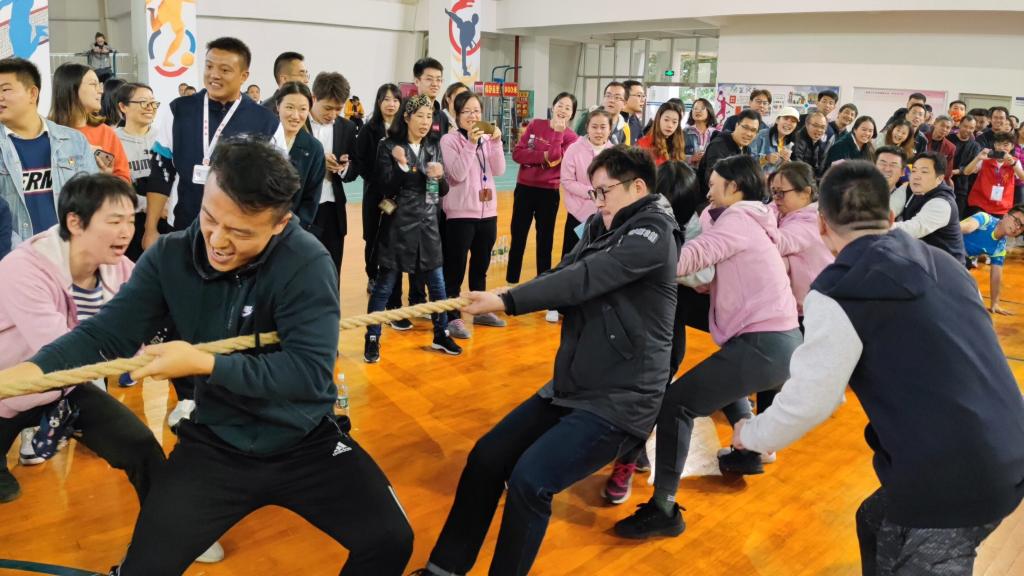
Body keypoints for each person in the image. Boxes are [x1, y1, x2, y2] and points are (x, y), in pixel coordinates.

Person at [0, 138, 414, 575]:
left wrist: (205, 364)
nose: (218, 240)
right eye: (210, 218)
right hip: (216, 442)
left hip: (305, 439)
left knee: (391, 539)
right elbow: (103, 335)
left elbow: (308, 375)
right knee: (144, 568)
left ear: (280, 223)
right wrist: (25, 374)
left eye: (241, 232)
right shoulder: (170, 256)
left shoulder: (306, 261)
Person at [732, 160, 1024, 576]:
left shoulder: (839, 291)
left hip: (957, 477)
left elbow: (812, 400)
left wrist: (751, 435)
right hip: (1007, 443)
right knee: (873, 521)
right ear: (890, 217)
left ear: (821, 224)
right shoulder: (945, 264)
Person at [413, 146, 681, 576]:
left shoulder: (654, 233)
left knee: (530, 480)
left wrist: (507, 301)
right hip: (573, 385)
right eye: (594, 193)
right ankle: (444, 569)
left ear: (638, 188)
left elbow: (586, 278)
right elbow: (562, 274)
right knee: (487, 458)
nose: (597, 202)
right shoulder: (600, 226)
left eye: (604, 192)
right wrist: (504, 294)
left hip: (620, 399)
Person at [614, 154, 801, 539]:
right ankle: (748, 452)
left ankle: (664, 507)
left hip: (764, 343)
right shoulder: (753, 219)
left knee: (676, 405)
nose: (709, 190)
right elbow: (712, 269)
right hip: (777, 341)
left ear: (735, 187)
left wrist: (630, 259)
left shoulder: (738, 219)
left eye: (714, 184)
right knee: (719, 380)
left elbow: (694, 257)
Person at [0, 173, 165, 518]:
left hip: (67, 387)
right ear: (75, 222)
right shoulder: (22, 269)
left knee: (141, 446)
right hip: (9, 384)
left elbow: (141, 326)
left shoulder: (121, 269)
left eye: (131, 220)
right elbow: (60, 352)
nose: (127, 232)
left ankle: (168, 529)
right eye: (114, 221)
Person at [143, 37, 284, 425]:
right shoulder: (180, 111)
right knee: (182, 314)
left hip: (238, 239)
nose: (214, 75)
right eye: (209, 66)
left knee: (232, 314)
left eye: (225, 69)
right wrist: (151, 227)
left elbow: (276, 183)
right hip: (186, 231)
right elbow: (161, 170)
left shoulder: (264, 121)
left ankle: (232, 391)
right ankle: (187, 396)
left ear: (244, 75)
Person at [364, 95, 463, 363]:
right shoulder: (388, 146)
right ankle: (372, 337)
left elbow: (440, 192)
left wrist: (439, 177)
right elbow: (385, 187)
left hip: (428, 224)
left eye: (429, 116)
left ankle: (441, 333)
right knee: (384, 286)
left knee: (438, 286)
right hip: (398, 224)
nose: (425, 121)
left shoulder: (433, 146)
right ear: (406, 117)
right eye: (420, 115)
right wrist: (401, 165)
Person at [0, 58, 99, 246]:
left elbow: (93, 199)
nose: (0, 96)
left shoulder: (73, 141)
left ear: (32, 93)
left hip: (68, 249)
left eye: (5, 90)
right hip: (15, 255)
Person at [440, 91, 507, 339]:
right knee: (454, 269)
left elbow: (499, 169)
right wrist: (470, 143)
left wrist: (496, 142)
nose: (473, 116)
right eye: (466, 111)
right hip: (460, 215)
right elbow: (457, 174)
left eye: (477, 111)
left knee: (480, 266)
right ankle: (452, 316)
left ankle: (480, 311)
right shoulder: (449, 140)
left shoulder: (487, 139)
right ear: (457, 115)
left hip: (488, 213)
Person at [507, 92, 579, 312]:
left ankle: (543, 285)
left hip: (549, 192)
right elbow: (518, 154)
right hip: (524, 188)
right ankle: (511, 281)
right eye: (560, 105)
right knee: (518, 234)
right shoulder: (536, 125)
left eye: (568, 108)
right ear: (553, 106)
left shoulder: (571, 137)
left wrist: (557, 135)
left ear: (572, 114)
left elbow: (555, 159)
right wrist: (542, 157)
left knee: (544, 240)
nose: (562, 110)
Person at [307, 71, 358, 275]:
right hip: (303, 207)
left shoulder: (347, 127)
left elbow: (354, 169)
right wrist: (319, 161)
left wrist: (344, 168)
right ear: (314, 98)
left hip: (332, 209)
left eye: (338, 109)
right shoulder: (297, 124)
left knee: (331, 269)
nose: (333, 114)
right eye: (328, 108)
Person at [355, 83, 402, 299]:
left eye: (395, 100)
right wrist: (379, 181)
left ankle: (390, 277)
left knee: (393, 236)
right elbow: (361, 161)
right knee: (373, 237)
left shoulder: (403, 129)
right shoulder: (369, 129)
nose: (391, 104)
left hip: (397, 195)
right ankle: (372, 275)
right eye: (386, 99)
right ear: (379, 102)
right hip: (375, 193)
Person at [50, 63, 131, 183]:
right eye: (93, 84)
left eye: (100, 85)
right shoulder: (48, 133)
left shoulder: (106, 132)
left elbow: (124, 181)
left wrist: (105, 178)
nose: (101, 91)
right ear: (71, 88)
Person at [113, 82, 163, 261]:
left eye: (153, 103)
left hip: (164, 219)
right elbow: (113, 187)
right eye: (143, 102)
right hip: (129, 221)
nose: (150, 107)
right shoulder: (113, 140)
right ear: (123, 107)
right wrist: (147, 205)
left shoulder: (164, 138)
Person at [892, 152, 965, 263]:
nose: (916, 176)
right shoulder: (908, 188)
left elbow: (914, 228)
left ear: (939, 178)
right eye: (914, 171)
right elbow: (887, 209)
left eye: (924, 172)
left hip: (946, 267)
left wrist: (877, 226)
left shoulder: (942, 203)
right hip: (921, 259)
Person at [561, 109, 613, 258]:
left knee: (597, 259)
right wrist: (593, 193)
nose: (598, 131)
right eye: (594, 126)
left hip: (605, 216)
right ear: (587, 128)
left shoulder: (615, 153)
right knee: (571, 258)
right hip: (577, 215)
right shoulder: (574, 149)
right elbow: (567, 180)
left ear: (610, 129)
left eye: (603, 127)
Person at [277, 81, 326, 230]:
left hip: (292, 229)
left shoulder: (314, 148)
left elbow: (311, 198)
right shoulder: (262, 139)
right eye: (289, 107)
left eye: (303, 109)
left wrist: (295, 229)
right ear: (278, 106)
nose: (295, 115)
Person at [962, 206, 1024, 315]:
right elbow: (963, 227)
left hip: (961, 262)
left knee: (976, 306)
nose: (1017, 227)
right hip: (945, 249)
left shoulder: (1000, 247)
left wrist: (994, 303)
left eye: (1022, 227)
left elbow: (996, 276)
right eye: (1017, 221)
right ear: (1006, 215)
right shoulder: (985, 219)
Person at [695, 109, 759, 195]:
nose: (749, 134)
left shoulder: (746, 149)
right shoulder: (718, 146)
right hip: (710, 196)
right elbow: (713, 180)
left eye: (753, 130)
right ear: (737, 125)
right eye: (745, 127)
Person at [964, 131, 1024, 217]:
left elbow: (1022, 178)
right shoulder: (985, 157)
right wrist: (978, 158)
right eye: (998, 144)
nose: (1001, 148)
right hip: (979, 203)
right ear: (994, 145)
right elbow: (966, 172)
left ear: (1012, 146)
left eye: (1005, 145)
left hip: (1002, 207)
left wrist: (1013, 164)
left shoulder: (1015, 161)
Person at [751, 106, 800, 174]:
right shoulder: (762, 135)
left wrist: (786, 160)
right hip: (757, 178)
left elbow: (784, 169)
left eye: (793, 121)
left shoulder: (790, 142)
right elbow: (748, 160)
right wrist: (766, 158)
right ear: (777, 120)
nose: (789, 123)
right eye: (786, 118)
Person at [950, 115, 982, 217]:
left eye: (971, 128)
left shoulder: (975, 146)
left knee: (956, 217)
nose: (967, 130)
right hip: (944, 182)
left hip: (962, 187)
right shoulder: (948, 139)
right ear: (959, 125)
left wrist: (957, 171)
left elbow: (973, 168)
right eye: (965, 126)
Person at [636, 100, 685, 166]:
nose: (670, 125)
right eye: (666, 120)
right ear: (658, 120)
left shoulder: (678, 144)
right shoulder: (643, 144)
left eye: (674, 122)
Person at [413, 57, 450, 140]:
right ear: (417, 81)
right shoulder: (408, 112)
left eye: (438, 79)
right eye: (429, 79)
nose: (435, 84)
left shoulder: (442, 117)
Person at [874, 145, 910, 218]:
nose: (887, 169)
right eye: (883, 163)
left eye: (893, 165)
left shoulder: (907, 201)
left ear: (902, 172)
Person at [792, 111, 829, 177]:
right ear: (807, 125)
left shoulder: (822, 140)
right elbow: (797, 163)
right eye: (815, 125)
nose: (819, 130)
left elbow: (822, 163)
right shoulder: (798, 138)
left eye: (823, 127)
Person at [683, 97, 718, 168]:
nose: (698, 111)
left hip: (709, 172)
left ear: (709, 111)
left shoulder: (716, 133)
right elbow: (676, 156)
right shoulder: (684, 132)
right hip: (689, 172)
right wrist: (691, 158)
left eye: (702, 108)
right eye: (695, 108)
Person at [924, 115, 956, 183]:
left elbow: (947, 170)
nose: (944, 129)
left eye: (948, 128)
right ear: (935, 123)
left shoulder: (950, 147)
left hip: (936, 180)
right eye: (942, 125)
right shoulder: (922, 138)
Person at [622, 80, 646, 146]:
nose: (643, 100)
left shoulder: (635, 120)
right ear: (625, 96)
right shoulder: (616, 120)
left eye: (643, 96)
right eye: (639, 95)